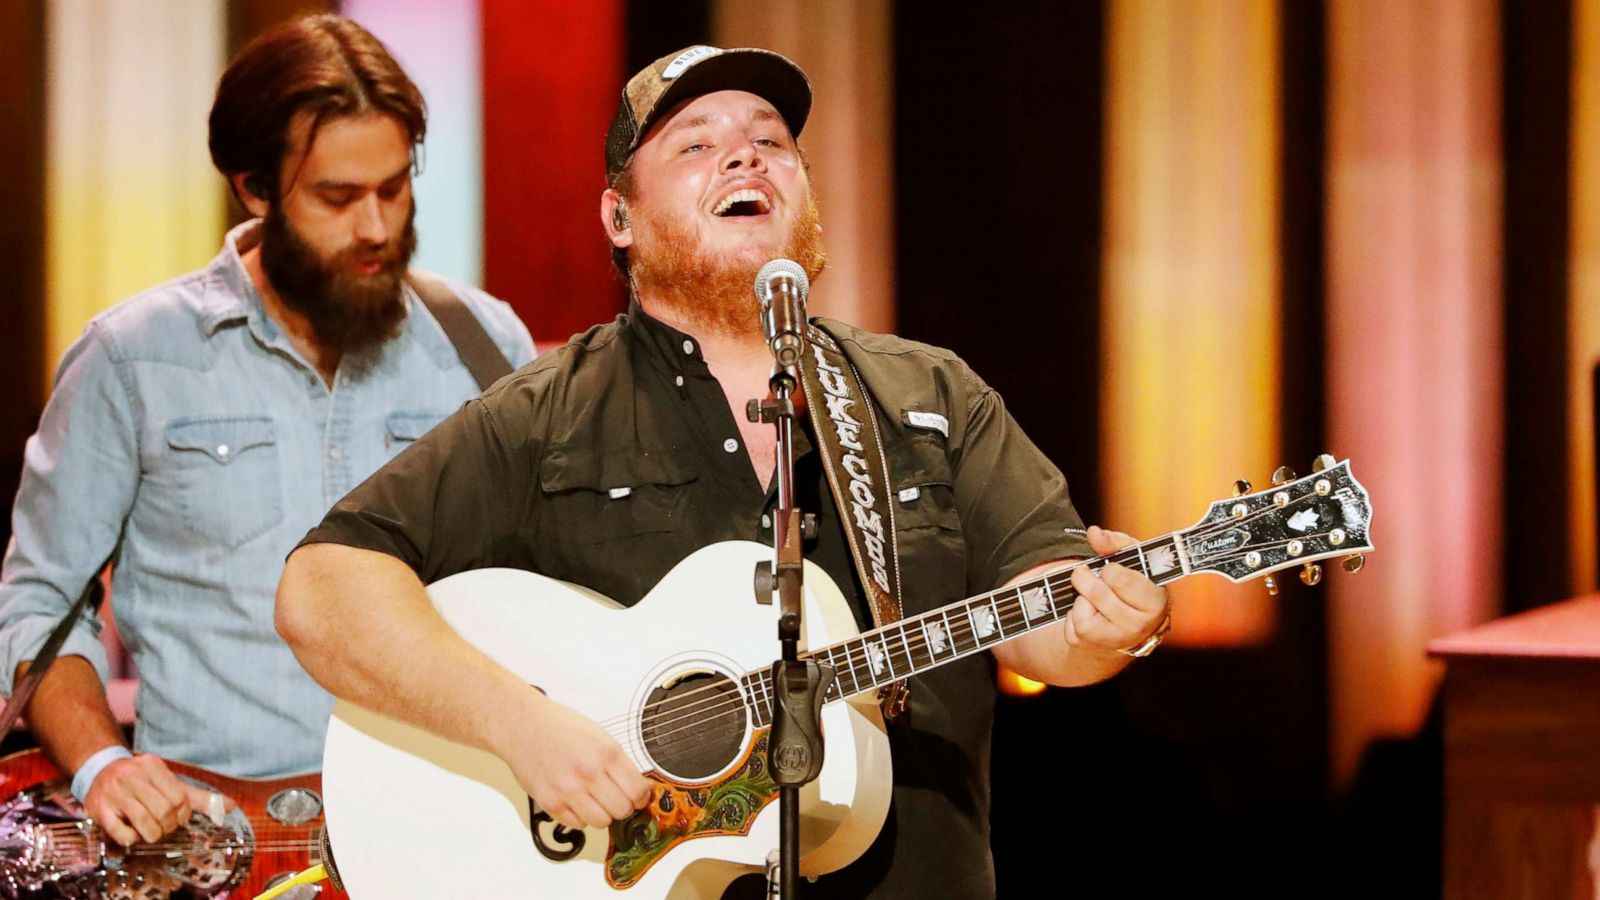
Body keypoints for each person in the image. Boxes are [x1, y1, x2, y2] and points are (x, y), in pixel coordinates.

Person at [277, 46, 1168, 898]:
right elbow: (323, 591)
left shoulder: (930, 394)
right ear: (618, 219)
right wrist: (523, 729)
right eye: (697, 144)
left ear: (808, 198)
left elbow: (1043, 621)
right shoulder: (547, 413)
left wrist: (1108, 627)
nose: (745, 153)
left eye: (771, 141)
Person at [0, 14, 534, 849]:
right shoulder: (131, 358)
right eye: (336, 197)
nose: (375, 228)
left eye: (394, 189)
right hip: (208, 836)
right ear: (253, 187)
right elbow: (40, 603)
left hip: (441, 827)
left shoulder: (482, 345)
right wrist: (102, 762)